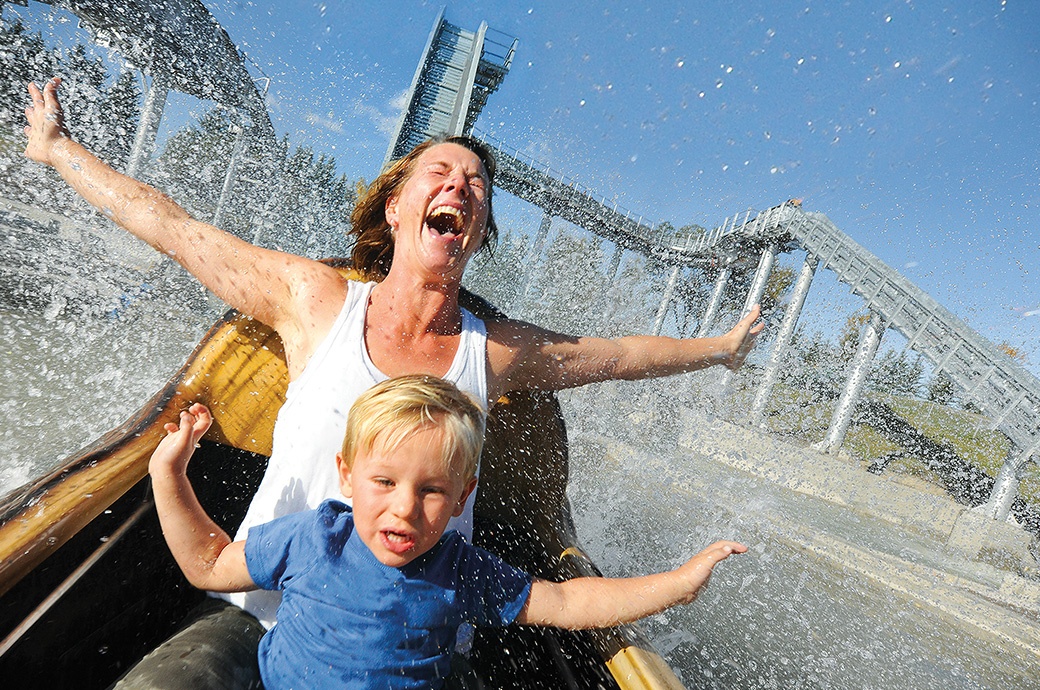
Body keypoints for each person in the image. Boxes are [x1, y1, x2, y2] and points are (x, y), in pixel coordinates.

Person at [24, 77, 763, 685]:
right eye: (440, 174)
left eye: (476, 184)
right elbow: (178, 230)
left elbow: (620, 355)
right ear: (396, 205)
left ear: (478, 231)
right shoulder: (315, 301)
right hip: (260, 622)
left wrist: (720, 348)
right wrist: (58, 151)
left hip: (420, 650)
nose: (462, 187)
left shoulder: (494, 353)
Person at [149, 375, 747, 690]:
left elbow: (565, 600)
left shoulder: (460, 569)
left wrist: (678, 583)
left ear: (462, 497)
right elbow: (207, 563)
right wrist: (168, 471)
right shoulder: (313, 539)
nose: (404, 509)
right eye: (384, 481)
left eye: (432, 491)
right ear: (347, 477)